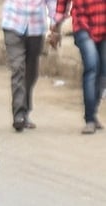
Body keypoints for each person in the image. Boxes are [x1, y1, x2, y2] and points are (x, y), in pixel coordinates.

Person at [0, 0, 57, 132]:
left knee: (31, 72)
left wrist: (54, 23)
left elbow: (52, 3)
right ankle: (19, 115)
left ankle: (25, 110)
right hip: (13, 24)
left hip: (36, 28)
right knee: (18, 68)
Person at [50, 0, 106, 134]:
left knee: (103, 72)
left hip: (103, 25)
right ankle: (89, 119)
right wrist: (56, 23)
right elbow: (62, 2)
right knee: (92, 67)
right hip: (83, 25)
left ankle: (93, 111)